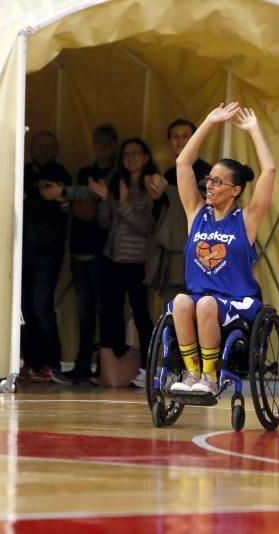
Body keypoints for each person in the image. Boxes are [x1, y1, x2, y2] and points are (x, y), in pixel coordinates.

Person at [168, 103, 275, 395]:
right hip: (203, 298)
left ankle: (210, 377)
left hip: (237, 302)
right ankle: (191, 375)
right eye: (209, 179)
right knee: (181, 301)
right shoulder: (196, 214)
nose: (209, 185)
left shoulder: (246, 220)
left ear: (235, 190)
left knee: (204, 304)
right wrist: (208, 122)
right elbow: (183, 164)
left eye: (218, 181)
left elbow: (269, 170)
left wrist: (254, 131)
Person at [97, 138, 157, 388]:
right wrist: (106, 199)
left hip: (137, 261)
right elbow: (104, 223)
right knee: (111, 313)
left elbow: (147, 227)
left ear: (145, 157)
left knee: (141, 315)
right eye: (126, 154)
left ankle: (147, 368)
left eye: (135, 153)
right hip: (113, 258)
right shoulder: (118, 183)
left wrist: (122, 203)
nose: (130, 158)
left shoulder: (150, 188)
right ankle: (114, 366)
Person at [65, 124, 118, 383]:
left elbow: (98, 197)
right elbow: (81, 201)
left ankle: (106, 367)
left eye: (107, 142)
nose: (101, 147)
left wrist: (67, 193)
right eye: (98, 142)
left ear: (114, 145)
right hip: (78, 247)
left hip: (105, 251)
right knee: (83, 313)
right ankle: (82, 364)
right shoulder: (86, 171)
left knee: (105, 310)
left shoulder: (118, 172)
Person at [19, 131, 72, 383]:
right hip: (21, 251)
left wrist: (41, 201)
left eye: (49, 146)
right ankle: (29, 362)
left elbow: (58, 208)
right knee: (24, 308)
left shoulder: (60, 173)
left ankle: (51, 362)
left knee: (41, 306)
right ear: (30, 148)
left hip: (48, 252)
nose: (43, 150)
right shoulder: (21, 170)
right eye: (39, 145)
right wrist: (41, 201)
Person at [144, 119, 213, 305]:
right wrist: (157, 196)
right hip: (171, 251)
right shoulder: (167, 174)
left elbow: (206, 208)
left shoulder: (209, 172)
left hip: (198, 250)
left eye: (185, 136)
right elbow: (158, 217)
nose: (180, 141)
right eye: (175, 136)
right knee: (173, 309)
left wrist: (168, 191)